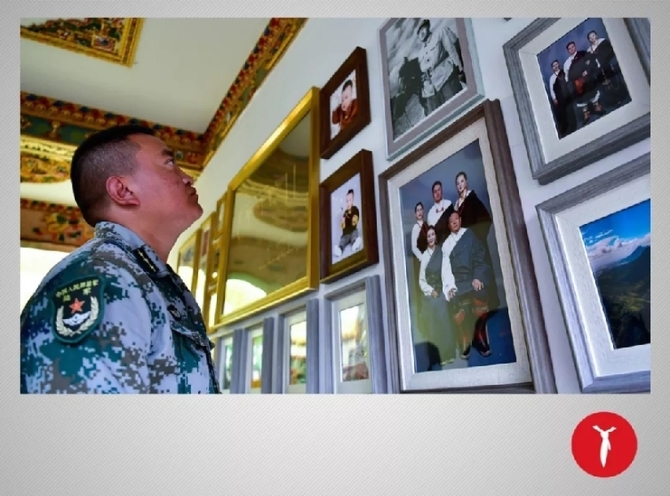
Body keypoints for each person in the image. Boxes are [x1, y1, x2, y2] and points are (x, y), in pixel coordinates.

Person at [20, 125, 220, 394]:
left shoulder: (144, 276)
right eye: (170, 163)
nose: (188, 178)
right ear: (123, 191)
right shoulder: (102, 278)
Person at [441, 211, 492, 359]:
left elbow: (480, 258)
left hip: (472, 278)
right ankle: (465, 336)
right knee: (453, 301)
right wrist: (450, 287)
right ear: (449, 225)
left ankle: (479, 333)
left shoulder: (470, 236)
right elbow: (445, 270)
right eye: (451, 221)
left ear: (460, 220)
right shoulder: (446, 245)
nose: (454, 222)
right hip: (457, 282)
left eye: (456, 219)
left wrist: (478, 277)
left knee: (481, 293)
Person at [418, 225, 457, 367]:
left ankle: (448, 353)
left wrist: (449, 287)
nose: (431, 238)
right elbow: (421, 280)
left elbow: (447, 272)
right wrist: (430, 291)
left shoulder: (442, 253)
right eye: (428, 236)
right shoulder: (424, 257)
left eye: (432, 235)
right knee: (429, 316)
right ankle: (436, 355)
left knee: (442, 310)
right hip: (429, 293)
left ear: (435, 237)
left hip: (441, 290)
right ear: (426, 239)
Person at [333, 189, 362, 259]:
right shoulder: (345, 213)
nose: (348, 203)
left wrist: (354, 219)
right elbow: (342, 226)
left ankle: (355, 243)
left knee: (354, 233)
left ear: (353, 200)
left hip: (352, 230)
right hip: (345, 234)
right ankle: (340, 249)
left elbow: (356, 219)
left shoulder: (355, 209)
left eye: (350, 200)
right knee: (342, 240)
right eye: (347, 201)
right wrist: (342, 222)